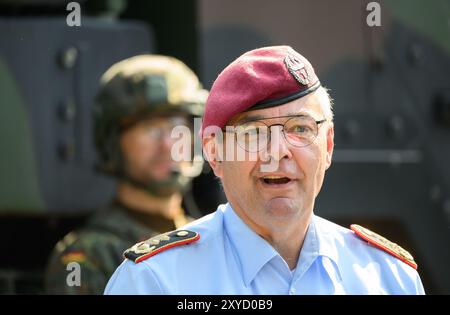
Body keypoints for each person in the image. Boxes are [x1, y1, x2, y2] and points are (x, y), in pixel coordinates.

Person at [104, 46, 425, 294]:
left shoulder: (389, 278)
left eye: (300, 129)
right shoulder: (155, 282)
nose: (278, 151)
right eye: (253, 133)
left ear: (327, 146)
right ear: (214, 153)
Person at [44, 55, 208, 294]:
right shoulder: (88, 257)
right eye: (150, 129)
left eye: (177, 128)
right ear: (113, 142)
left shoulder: (212, 239)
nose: (168, 144)